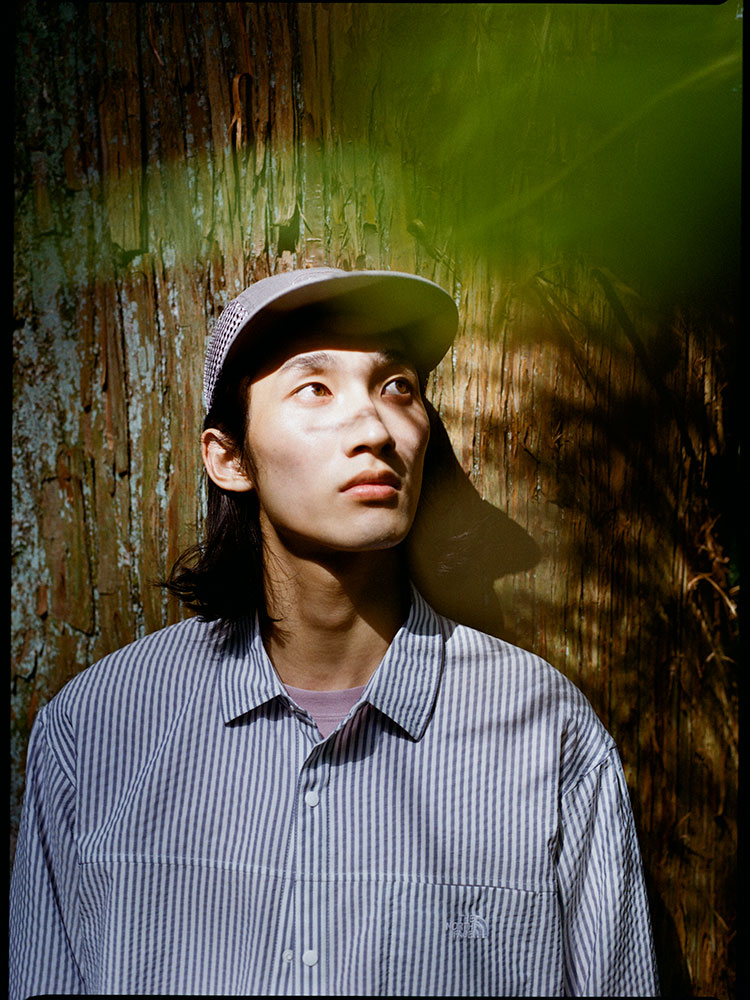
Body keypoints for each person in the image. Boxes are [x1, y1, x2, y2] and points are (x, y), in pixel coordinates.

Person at [9, 268, 659, 997]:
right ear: (229, 458)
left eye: (398, 387)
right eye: (315, 388)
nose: (375, 430)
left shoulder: (547, 734)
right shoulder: (94, 732)